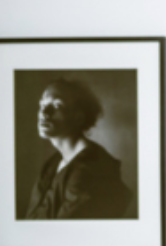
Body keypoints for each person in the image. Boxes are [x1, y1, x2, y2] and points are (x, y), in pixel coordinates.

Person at [25, 77, 132, 220]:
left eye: (57, 105)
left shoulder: (88, 170)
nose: (44, 112)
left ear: (78, 117)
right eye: (42, 104)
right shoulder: (54, 162)